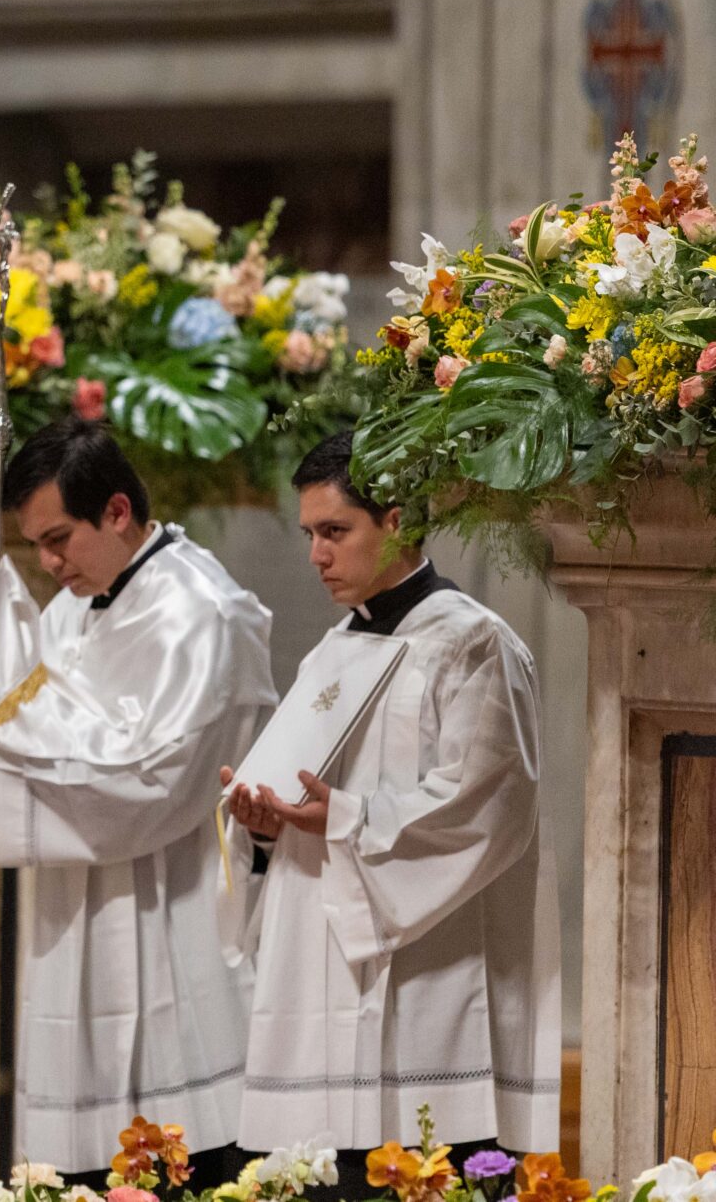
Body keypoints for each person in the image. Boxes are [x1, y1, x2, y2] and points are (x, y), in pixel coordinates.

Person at [222, 431, 557, 1184]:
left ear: (397, 521)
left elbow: (488, 807)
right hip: (322, 971)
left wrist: (345, 818)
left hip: (432, 970)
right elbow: (310, 800)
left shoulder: (475, 643)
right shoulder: (331, 651)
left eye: (334, 531)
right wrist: (269, 828)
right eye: (309, 534)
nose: (316, 555)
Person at [0, 417, 275, 1179]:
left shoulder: (202, 611)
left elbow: (148, 780)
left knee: (188, 1161)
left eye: (58, 539)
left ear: (116, 511)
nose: (49, 564)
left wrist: (4, 720)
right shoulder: (71, 608)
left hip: (174, 912)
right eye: (36, 546)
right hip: (76, 925)